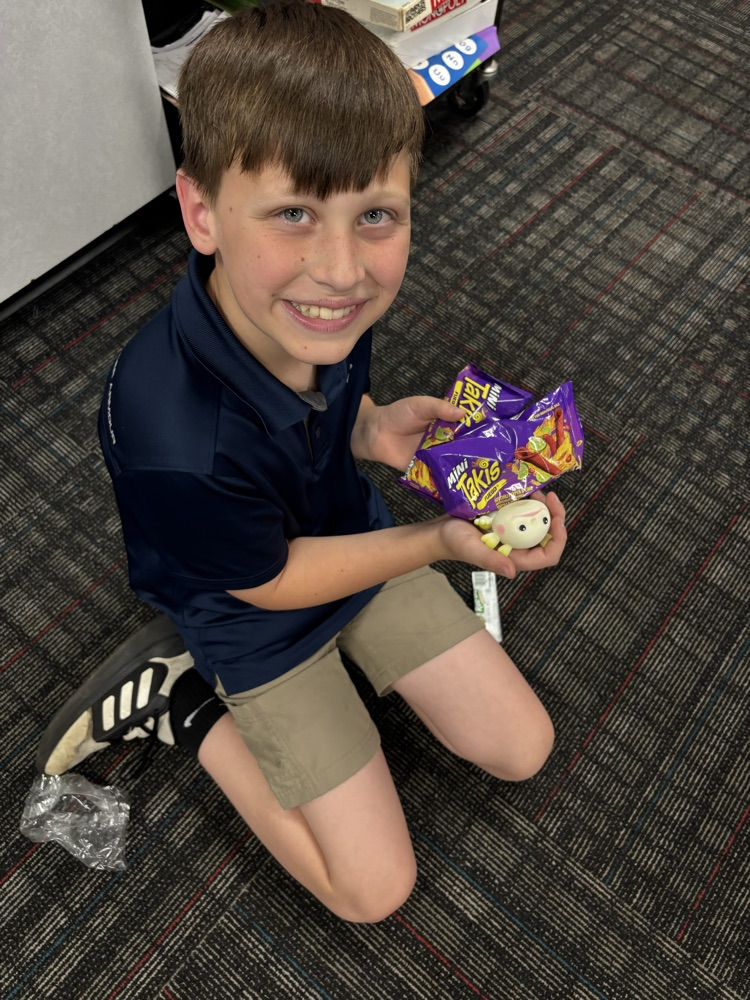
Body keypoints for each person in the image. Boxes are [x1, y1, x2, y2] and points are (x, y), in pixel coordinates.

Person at [36, 0, 566, 923]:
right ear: (200, 211)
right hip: (251, 612)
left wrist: (369, 430)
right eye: (292, 213)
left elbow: (326, 411)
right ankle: (183, 706)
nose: (341, 270)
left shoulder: (315, 313)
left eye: (376, 215)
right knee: (372, 890)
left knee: (523, 745)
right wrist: (438, 539)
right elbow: (275, 580)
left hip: (344, 542)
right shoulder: (175, 438)